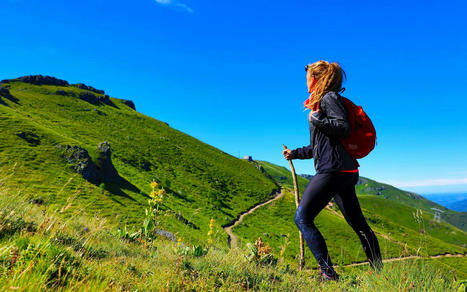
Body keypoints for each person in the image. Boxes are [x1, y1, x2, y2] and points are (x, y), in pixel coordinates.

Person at [282, 60, 383, 280]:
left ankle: (327, 273)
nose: (306, 80)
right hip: (344, 172)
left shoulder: (328, 98)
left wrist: (317, 119)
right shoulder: (322, 102)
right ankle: (380, 275)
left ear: (316, 78)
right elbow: (319, 147)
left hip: (333, 171)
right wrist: (295, 153)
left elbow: (343, 129)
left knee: (302, 218)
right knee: (358, 224)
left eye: (308, 76)